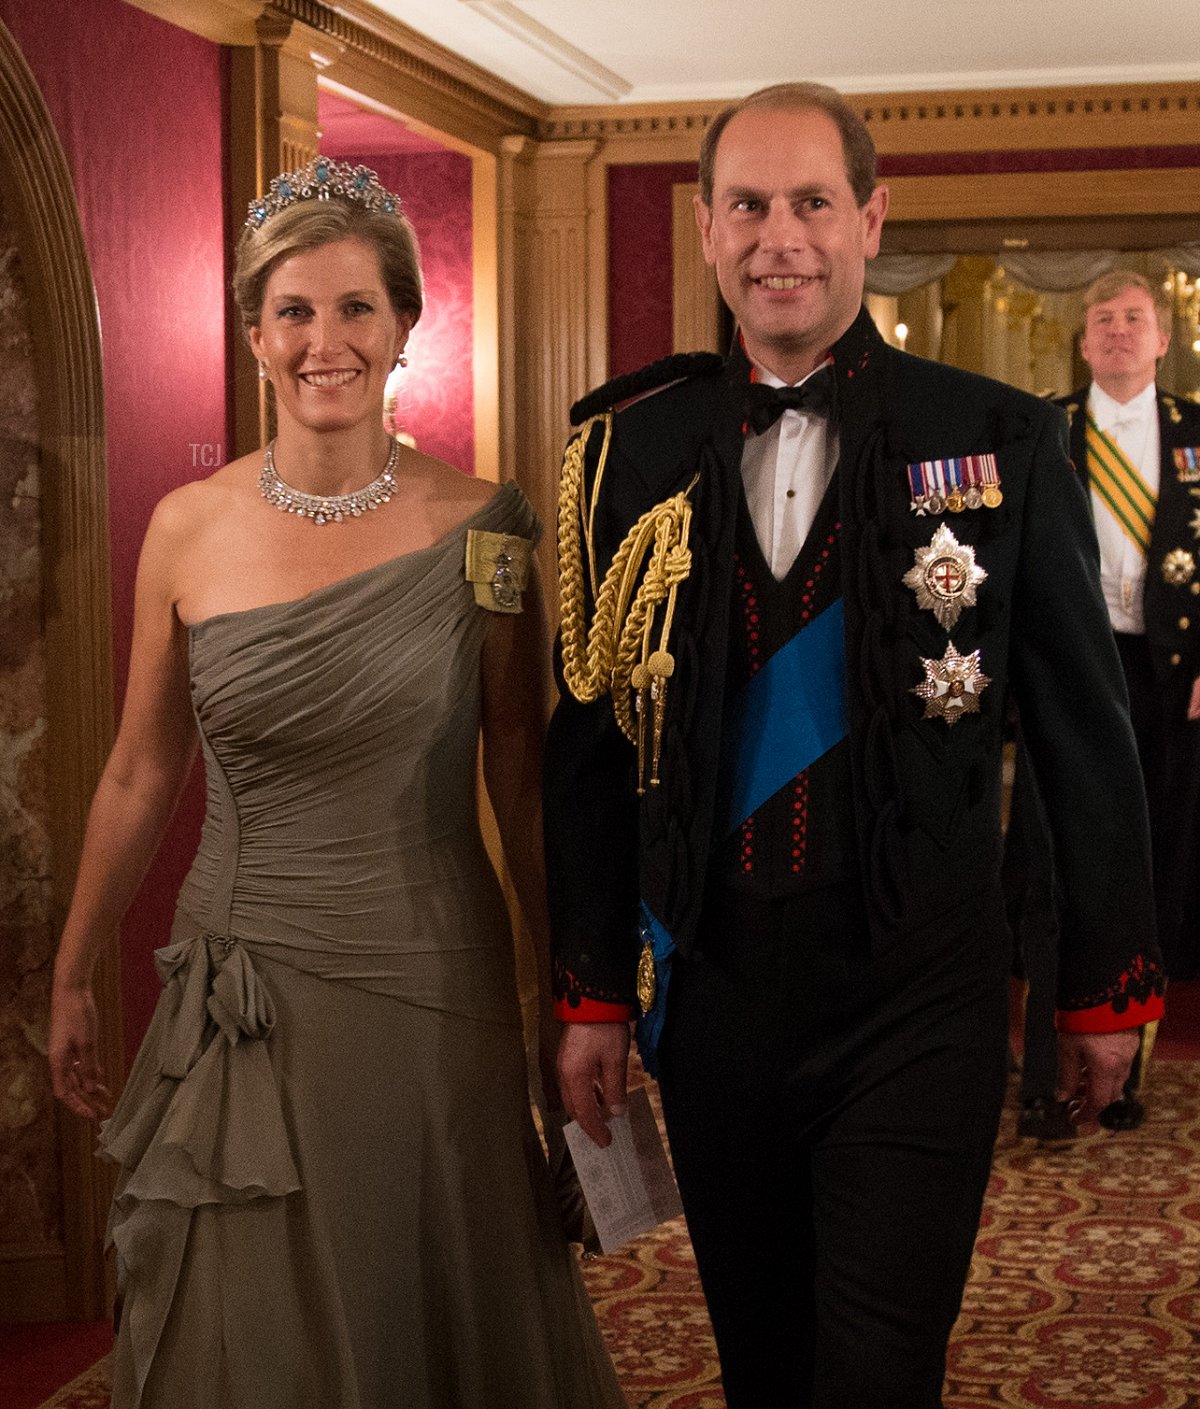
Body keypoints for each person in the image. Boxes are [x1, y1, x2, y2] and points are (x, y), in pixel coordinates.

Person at [544, 84, 1166, 1409]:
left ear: (871, 219)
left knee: (878, 1369)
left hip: (919, 989)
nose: (782, 238)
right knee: (766, 1364)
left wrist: (1104, 983)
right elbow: (592, 746)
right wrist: (594, 984)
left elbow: (1080, 730)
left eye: (812, 202)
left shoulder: (997, 438)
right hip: (711, 997)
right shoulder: (626, 452)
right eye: (750, 206)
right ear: (707, 229)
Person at [48, 159, 623, 1409]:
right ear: (254, 333)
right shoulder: (184, 527)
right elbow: (143, 765)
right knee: (246, 1320)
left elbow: (518, 769)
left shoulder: (489, 529)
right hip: (245, 987)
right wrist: (73, 960)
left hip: (436, 975)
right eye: (296, 311)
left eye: (358, 308)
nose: (327, 341)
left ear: (406, 325)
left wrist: (565, 989)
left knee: (434, 1285)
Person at [1053, 270, 1200, 1122]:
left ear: (1162, 338)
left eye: (1133, 318)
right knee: (1074, 846)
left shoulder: (1195, 433)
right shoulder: (1043, 427)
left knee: (1156, 857)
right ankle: (1051, 1050)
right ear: (1082, 341)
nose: (1116, 331)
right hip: (1072, 663)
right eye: (1101, 319)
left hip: (1171, 676)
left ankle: (1132, 1056)